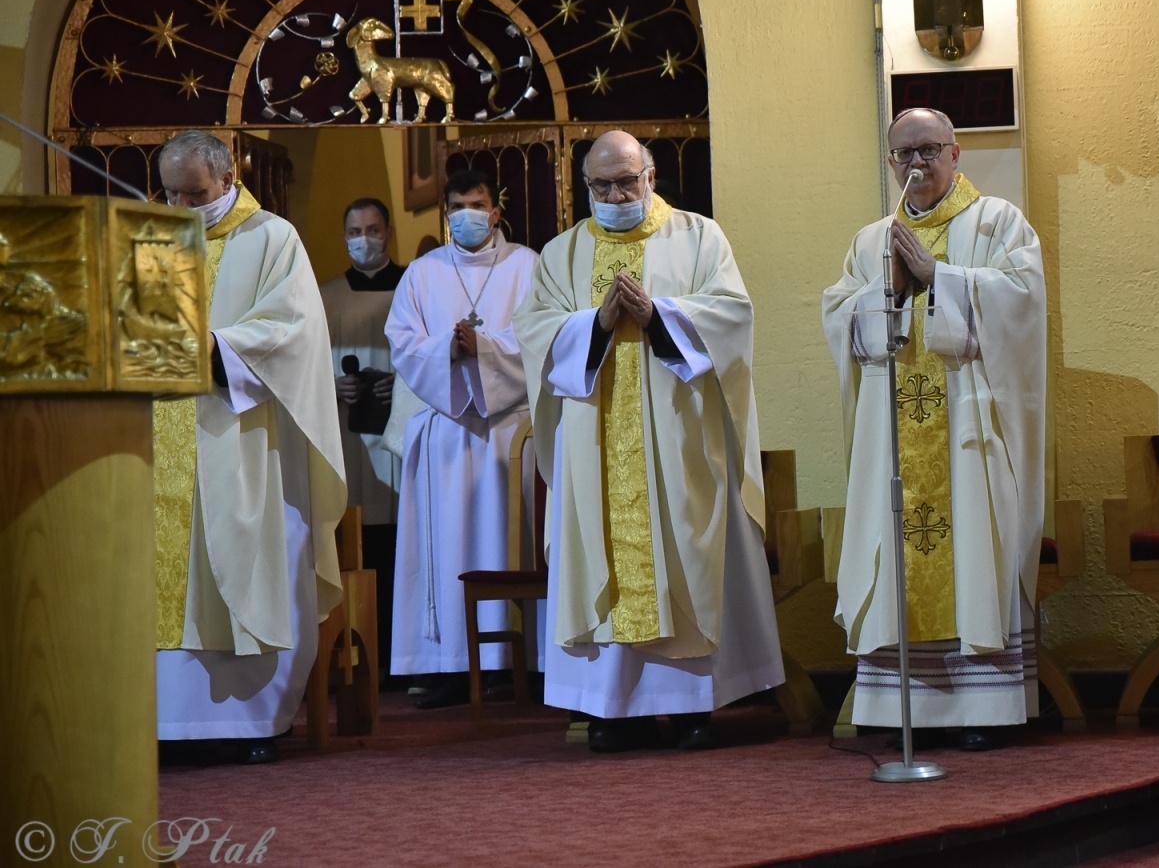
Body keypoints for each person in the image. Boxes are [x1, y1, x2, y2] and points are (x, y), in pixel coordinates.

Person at [514, 130, 783, 752]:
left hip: (679, 440)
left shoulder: (697, 237)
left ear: (652, 176)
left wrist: (661, 315)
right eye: (600, 186)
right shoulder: (562, 253)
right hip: (594, 443)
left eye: (626, 182)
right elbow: (534, 332)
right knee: (604, 555)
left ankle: (694, 706)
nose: (614, 195)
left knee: (684, 549)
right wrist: (596, 323)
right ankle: (611, 708)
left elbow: (733, 314)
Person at [822, 108, 1047, 752]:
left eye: (927, 150)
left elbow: (1023, 304)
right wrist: (883, 293)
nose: (914, 164)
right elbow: (841, 320)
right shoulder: (872, 241)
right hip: (893, 429)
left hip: (972, 431)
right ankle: (897, 706)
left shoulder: (999, 222)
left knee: (977, 542)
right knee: (894, 542)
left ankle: (985, 706)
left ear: (956, 154)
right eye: (902, 154)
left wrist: (937, 278)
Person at [152, 130, 346, 764]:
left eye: (195, 194)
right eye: (171, 193)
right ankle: (160, 723)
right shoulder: (147, 238)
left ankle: (251, 723)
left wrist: (218, 346)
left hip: (245, 438)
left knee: (243, 557)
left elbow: (293, 332)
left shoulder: (271, 238)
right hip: (157, 435)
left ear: (227, 174)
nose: (181, 207)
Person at [386, 169, 538, 708]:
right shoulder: (422, 273)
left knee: (509, 541)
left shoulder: (528, 266)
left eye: (477, 205)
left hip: (509, 436)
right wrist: (448, 351)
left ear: (496, 211)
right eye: (457, 206)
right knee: (443, 547)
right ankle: (448, 663)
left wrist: (487, 346)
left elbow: (542, 336)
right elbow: (402, 342)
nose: (467, 215)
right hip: (447, 432)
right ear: (445, 213)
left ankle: (517, 662)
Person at [318, 198, 404, 680]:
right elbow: (302, 365)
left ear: (388, 232)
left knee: (400, 542)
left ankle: (399, 657)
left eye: (373, 229)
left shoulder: (415, 287)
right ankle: (353, 658)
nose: (364, 238)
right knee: (356, 543)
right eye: (355, 230)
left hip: (401, 433)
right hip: (348, 436)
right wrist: (334, 385)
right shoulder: (325, 296)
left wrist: (404, 381)